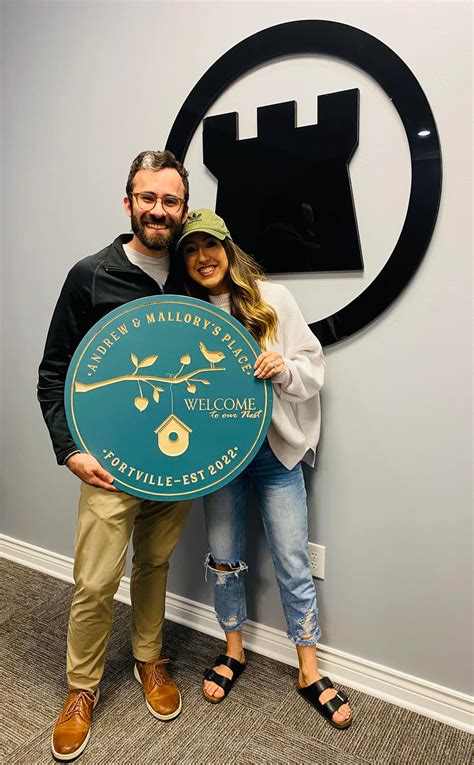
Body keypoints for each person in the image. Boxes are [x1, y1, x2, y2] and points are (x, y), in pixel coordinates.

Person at [38, 150, 193, 761]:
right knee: (96, 580)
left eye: (170, 200)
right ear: (128, 202)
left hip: (177, 460)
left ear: (183, 209)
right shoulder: (91, 275)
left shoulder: (195, 274)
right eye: (147, 198)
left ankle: (149, 658)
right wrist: (69, 450)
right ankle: (81, 688)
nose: (158, 210)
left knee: (154, 563)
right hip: (108, 463)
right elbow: (55, 372)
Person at [175, 209, 353, 729]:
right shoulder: (183, 314)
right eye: (191, 249)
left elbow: (313, 370)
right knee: (224, 557)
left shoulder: (272, 299)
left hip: (276, 452)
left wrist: (284, 370)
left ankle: (308, 669)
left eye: (210, 245)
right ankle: (233, 649)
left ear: (228, 249)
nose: (202, 257)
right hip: (219, 459)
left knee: (293, 559)